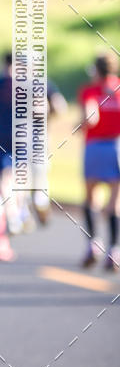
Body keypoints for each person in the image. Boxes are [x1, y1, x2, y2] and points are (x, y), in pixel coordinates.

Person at [0, 52, 66, 232]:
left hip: (32, 142)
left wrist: (45, 108)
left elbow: (59, 107)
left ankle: (32, 208)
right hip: (6, 138)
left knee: (31, 182)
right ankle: (15, 216)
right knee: (8, 177)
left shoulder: (41, 85)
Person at [78, 52, 120, 271]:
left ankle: (93, 244)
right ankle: (114, 250)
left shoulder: (91, 90)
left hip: (95, 146)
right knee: (114, 202)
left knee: (91, 197)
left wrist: (78, 125)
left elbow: (90, 118)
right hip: (116, 146)